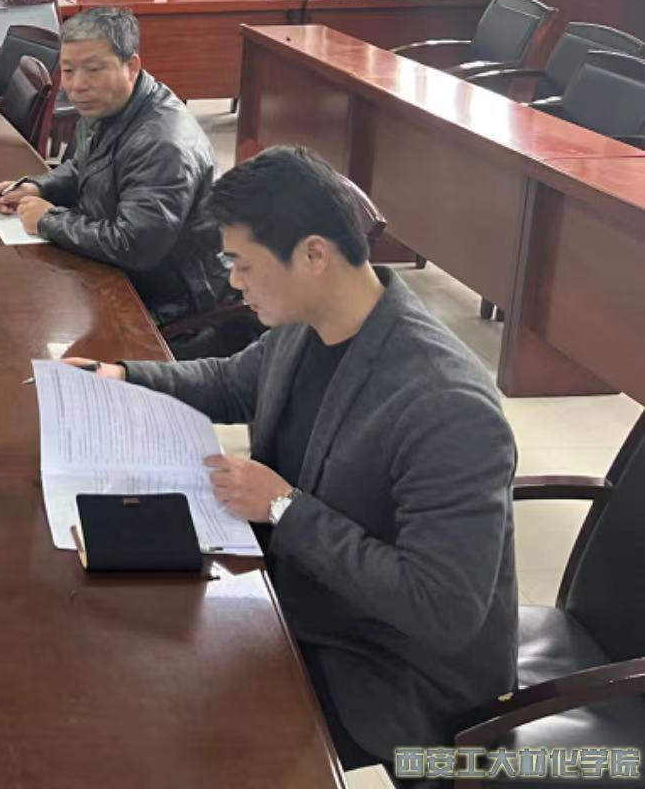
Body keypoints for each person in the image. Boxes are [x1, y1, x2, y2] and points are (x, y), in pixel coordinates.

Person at [75, 147, 517, 769]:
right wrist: (122, 376)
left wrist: (284, 506)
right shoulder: (310, 320)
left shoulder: (446, 405)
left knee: (179, 734)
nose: (234, 281)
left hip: (392, 672)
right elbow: (233, 381)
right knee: (122, 647)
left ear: (314, 255)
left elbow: (441, 609)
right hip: (305, 599)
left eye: (244, 264)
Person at [0, 6, 231, 330]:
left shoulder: (162, 144)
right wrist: (37, 186)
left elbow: (134, 245)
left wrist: (48, 220)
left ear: (131, 67)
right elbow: (83, 166)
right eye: (68, 71)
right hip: (117, 273)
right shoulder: (114, 105)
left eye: (94, 69)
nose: (77, 86)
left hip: (172, 305)